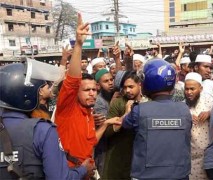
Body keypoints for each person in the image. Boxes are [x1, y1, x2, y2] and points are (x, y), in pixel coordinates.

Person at [0, 63, 94, 179]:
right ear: (26, 96)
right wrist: (83, 170)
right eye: (38, 92)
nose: (39, 96)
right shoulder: (43, 130)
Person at [55, 13, 119, 170]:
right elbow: (72, 80)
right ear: (75, 93)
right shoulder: (68, 108)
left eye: (93, 89)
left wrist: (105, 124)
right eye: (86, 90)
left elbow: (91, 141)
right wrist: (78, 44)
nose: (92, 93)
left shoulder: (89, 112)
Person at [118, 59, 192, 179]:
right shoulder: (184, 109)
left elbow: (125, 124)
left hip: (146, 175)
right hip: (179, 175)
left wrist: (128, 110)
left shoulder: (139, 110)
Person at [102, 70, 146, 179]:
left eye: (131, 87)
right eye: (125, 87)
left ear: (139, 85)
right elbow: (107, 131)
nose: (127, 90)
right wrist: (126, 115)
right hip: (119, 156)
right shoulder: (118, 103)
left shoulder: (148, 103)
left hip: (141, 157)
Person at [184, 72, 213, 179]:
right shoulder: (182, 107)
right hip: (191, 158)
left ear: (200, 89)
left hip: (210, 156)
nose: (189, 92)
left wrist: (210, 113)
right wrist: (186, 117)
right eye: (186, 89)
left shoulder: (210, 103)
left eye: (192, 89)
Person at [93, 68, 115, 174]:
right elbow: (108, 125)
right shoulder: (98, 102)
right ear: (98, 85)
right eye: (106, 81)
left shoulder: (113, 96)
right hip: (102, 148)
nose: (110, 83)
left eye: (111, 79)